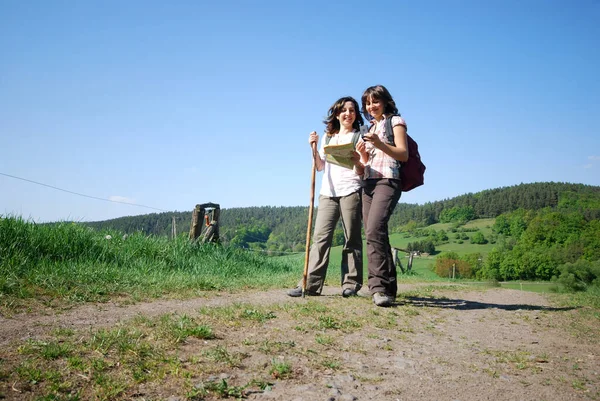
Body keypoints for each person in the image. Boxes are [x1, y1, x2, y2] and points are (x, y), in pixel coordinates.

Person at [288, 96, 368, 298]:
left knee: (351, 238)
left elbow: (363, 170)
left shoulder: (360, 136)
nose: (348, 114)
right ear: (337, 114)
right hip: (328, 192)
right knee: (320, 239)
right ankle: (309, 284)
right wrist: (313, 149)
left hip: (351, 189)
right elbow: (321, 166)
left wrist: (358, 160)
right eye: (344, 110)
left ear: (356, 114)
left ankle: (350, 284)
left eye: (351, 110)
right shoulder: (328, 137)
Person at [360, 85, 409, 307]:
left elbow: (403, 154)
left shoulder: (395, 122)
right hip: (368, 182)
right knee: (374, 234)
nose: (371, 107)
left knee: (374, 229)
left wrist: (380, 143)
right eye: (368, 103)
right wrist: (360, 154)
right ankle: (380, 287)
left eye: (375, 101)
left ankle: (381, 289)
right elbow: (365, 161)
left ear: (386, 101)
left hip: (388, 179)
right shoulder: (369, 127)